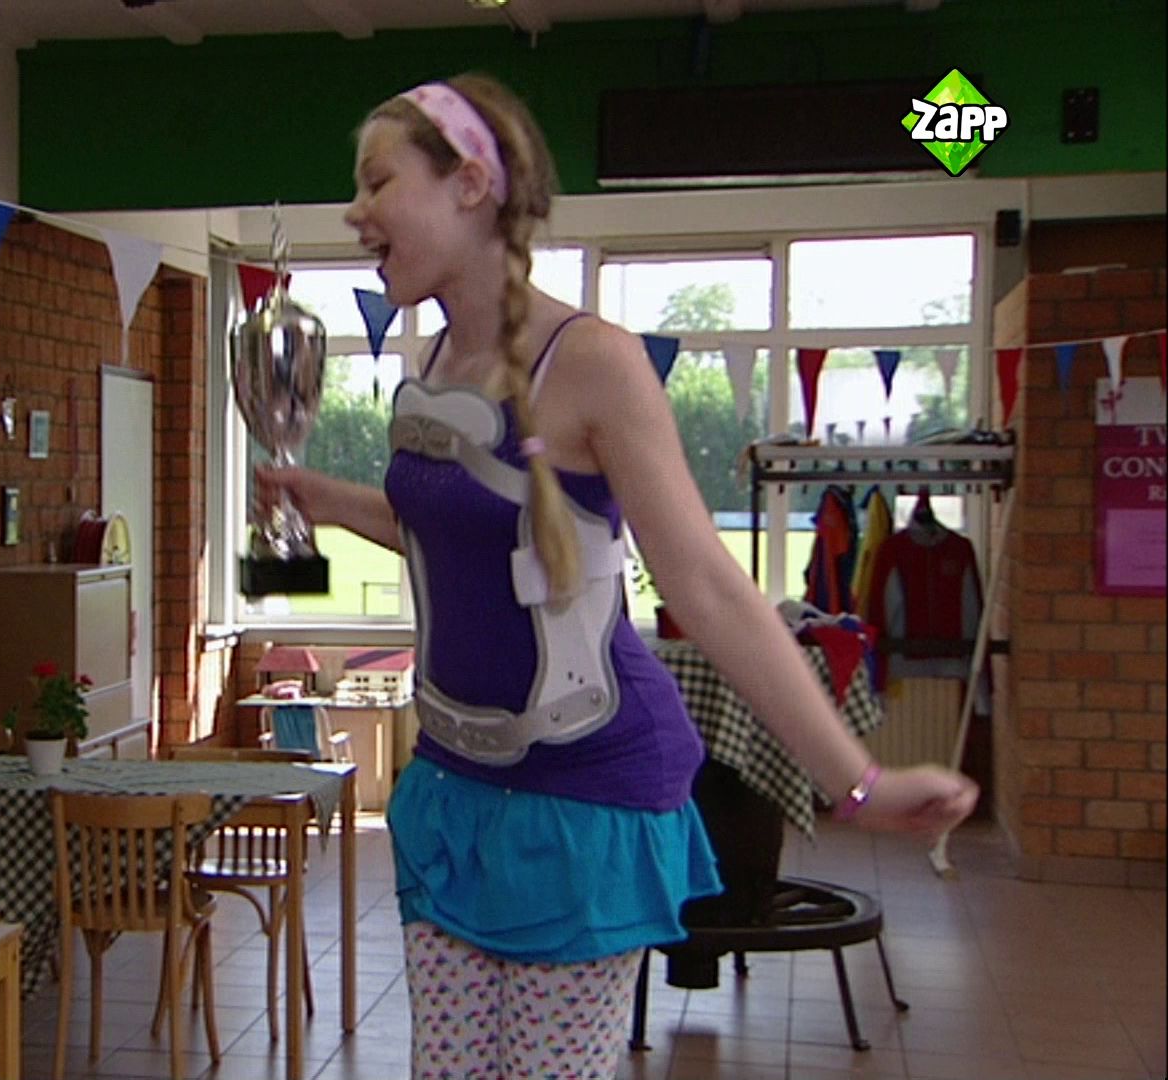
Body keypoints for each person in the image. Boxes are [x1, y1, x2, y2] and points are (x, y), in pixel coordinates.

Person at [255, 74, 977, 1079]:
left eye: (377, 182)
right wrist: (327, 499)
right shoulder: (430, 364)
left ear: (470, 185)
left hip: (586, 797)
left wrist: (859, 784)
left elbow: (709, 588)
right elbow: (455, 535)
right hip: (456, 790)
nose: (355, 211)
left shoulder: (593, 361)